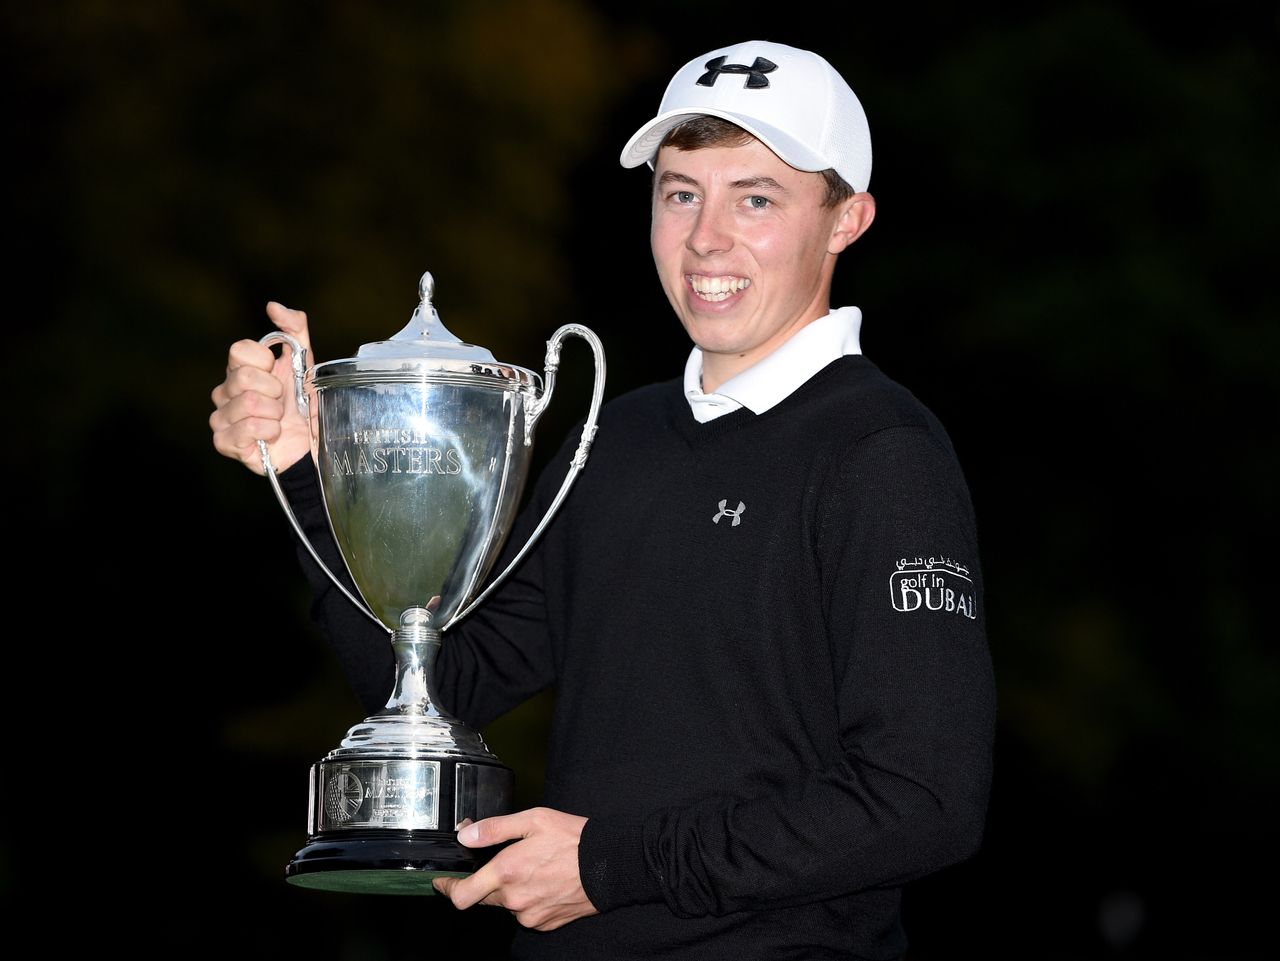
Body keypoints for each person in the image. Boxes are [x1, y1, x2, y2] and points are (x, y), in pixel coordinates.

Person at [210, 39, 996, 960]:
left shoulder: (879, 450)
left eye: (757, 198)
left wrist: (610, 864)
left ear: (846, 221)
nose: (707, 238)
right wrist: (309, 470)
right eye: (679, 192)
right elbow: (436, 679)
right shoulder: (616, 440)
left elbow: (923, 801)